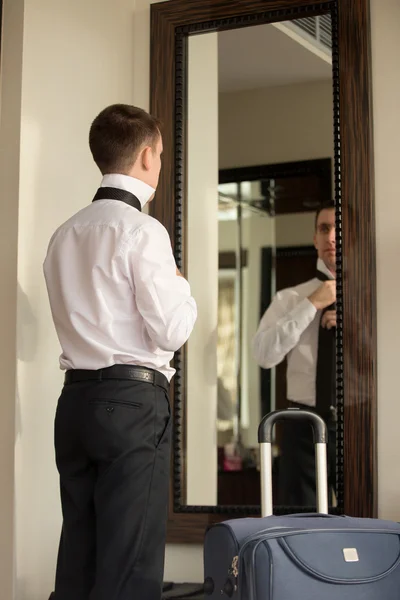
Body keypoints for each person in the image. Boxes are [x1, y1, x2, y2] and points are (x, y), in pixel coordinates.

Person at [43, 104, 197, 600]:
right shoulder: (143, 231)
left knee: (79, 559)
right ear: (149, 156)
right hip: (131, 406)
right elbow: (172, 330)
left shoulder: (63, 234)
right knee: (128, 567)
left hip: (74, 406)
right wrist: (183, 286)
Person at [252, 201, 336, 507]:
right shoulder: (289, 299)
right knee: (303, 523)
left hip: (360, 425)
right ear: (314, 237)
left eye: (338, 228)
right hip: (303, 427)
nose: (331, 236)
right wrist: (310, 305)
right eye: (324, 228)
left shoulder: (375, 299)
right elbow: (263, 355)